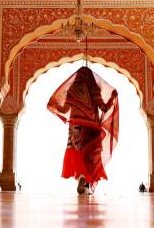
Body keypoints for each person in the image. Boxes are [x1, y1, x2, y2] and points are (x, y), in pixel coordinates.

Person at [47, 66, 119, 194]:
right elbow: (103, 108)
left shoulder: (72, 90)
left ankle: (82, 178)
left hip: (75, 127)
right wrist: (113, 98)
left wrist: (53, 104)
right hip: (91, 127)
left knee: (77, 152)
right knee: (90, 154)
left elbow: (64, 110)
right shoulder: (94, 89)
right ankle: (84, 180)